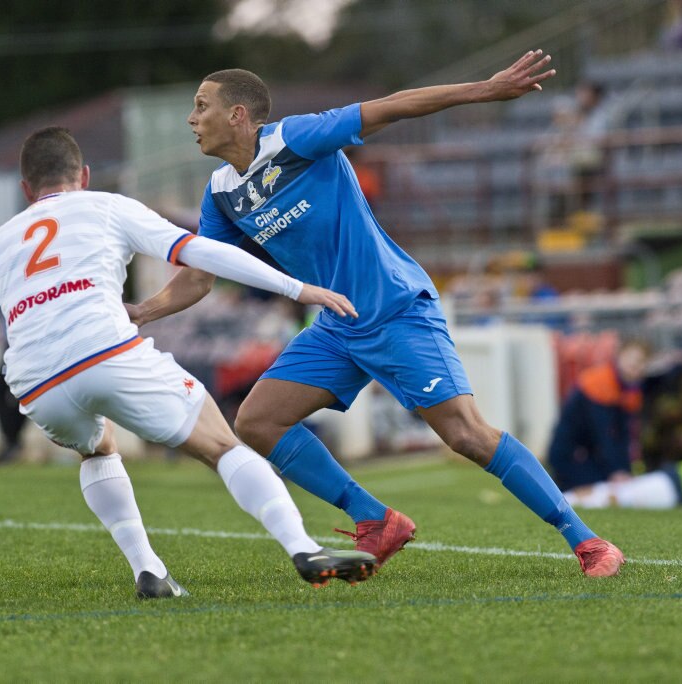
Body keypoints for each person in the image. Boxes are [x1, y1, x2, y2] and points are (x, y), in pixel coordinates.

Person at [127, 52, 626, 577]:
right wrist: (142, 311)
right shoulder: (222, 193)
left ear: (237, 115)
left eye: (200, 106)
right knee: (257, 421)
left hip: (395, 311)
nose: (191, 119)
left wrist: (485, 89)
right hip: (337, 327)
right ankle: (374, 517)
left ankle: (589, 542)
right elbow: (201, 274)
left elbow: (389, 107)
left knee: (466, 436)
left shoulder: (294, 140)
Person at [0, 126, 377, 597]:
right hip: (106, 349)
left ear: (25, 189)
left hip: (36, 382)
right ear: (83, 177)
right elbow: (199, 253)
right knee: (221, 444)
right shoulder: (106, 206)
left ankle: (149, 570)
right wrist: (297, 287)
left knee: (99, 447)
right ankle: (302, 548)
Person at [548, 340, 649, 491]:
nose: (635, 365)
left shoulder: (629, 390)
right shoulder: (600, 383)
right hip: (570, 456)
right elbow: (604, 435)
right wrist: (616, 471)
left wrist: (625, 469)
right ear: (619, 357)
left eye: (641, 362)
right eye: (631, 359)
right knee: (600, 486)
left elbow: (623, 435)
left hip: (590, 454)